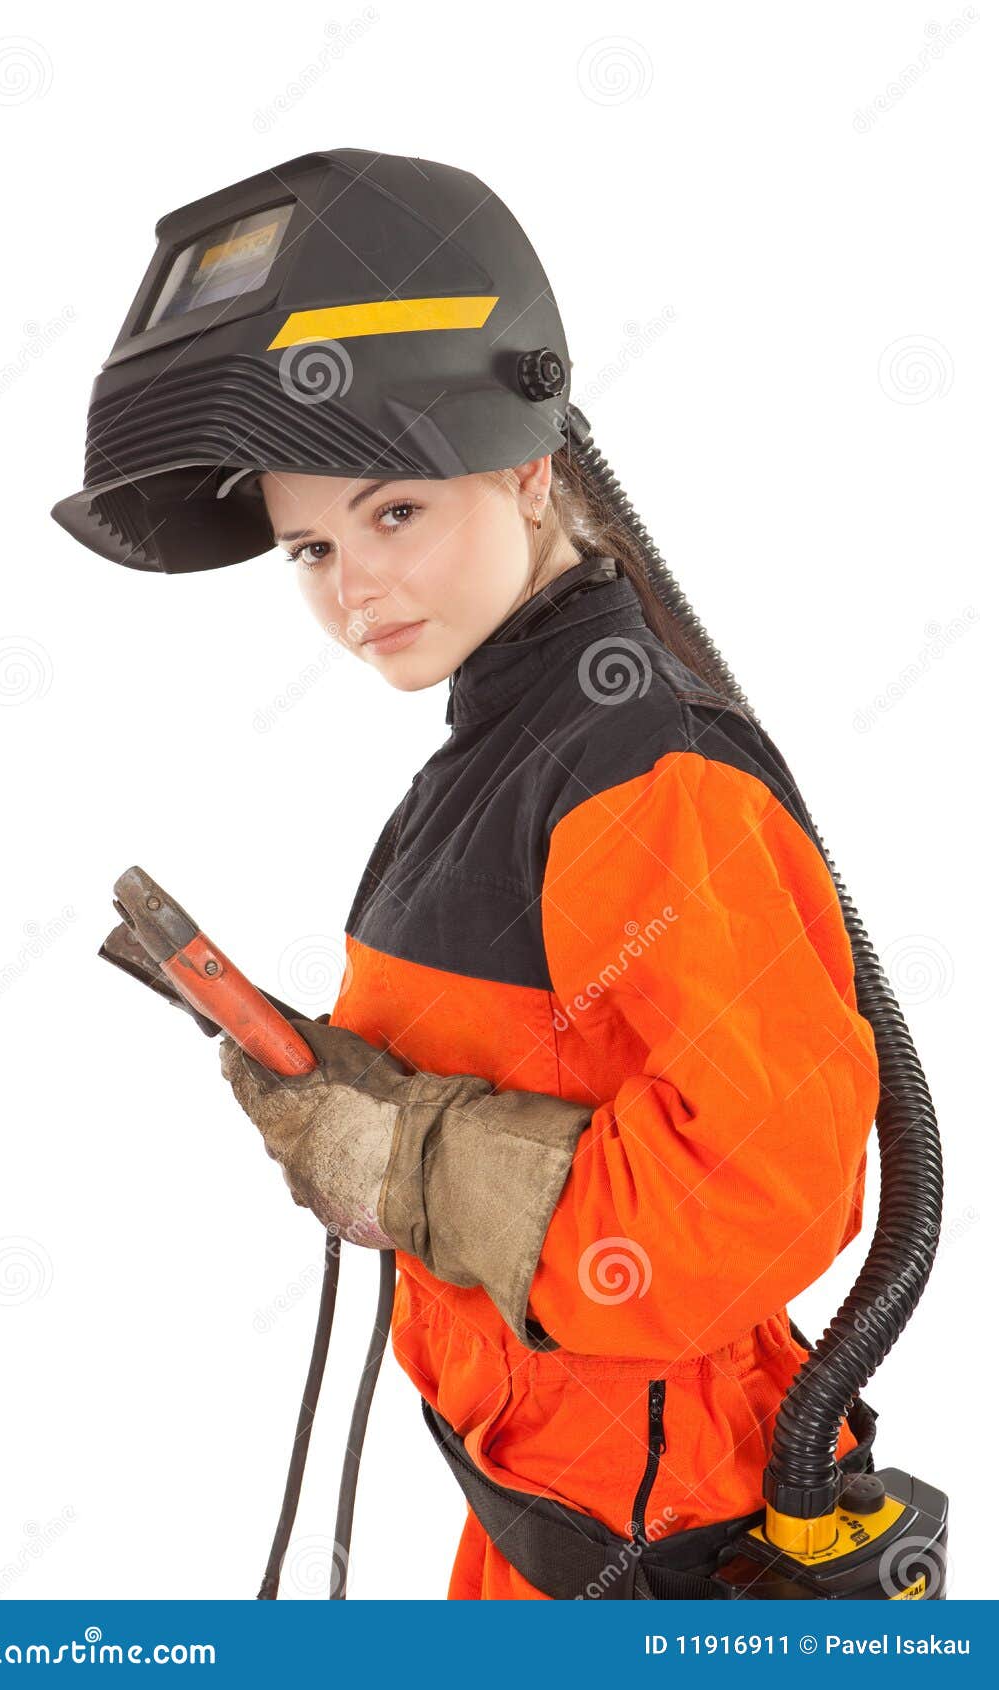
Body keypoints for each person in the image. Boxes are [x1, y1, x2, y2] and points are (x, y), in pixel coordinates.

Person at [217, 447, 880, 1600]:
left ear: (529, 471)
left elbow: (756, 1194)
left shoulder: (644, 771)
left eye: (396, 513)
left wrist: (408, 1161)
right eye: (312, 549)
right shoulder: (501, 744)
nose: (353, 589)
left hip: (661, 1531)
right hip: (539, 1490)